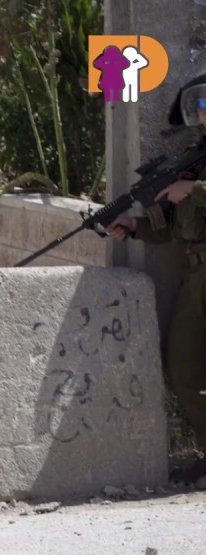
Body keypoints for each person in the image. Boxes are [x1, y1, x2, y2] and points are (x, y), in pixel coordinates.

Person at [103, 74, 206, 483]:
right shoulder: (194, 157)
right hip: (196, 273)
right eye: (198, 108)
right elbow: (174, 227)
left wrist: (193, 190)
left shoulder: (193, 177)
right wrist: (134, 226)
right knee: (183, 367)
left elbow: (192, 197)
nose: (202, 116)